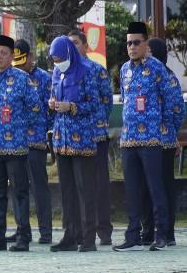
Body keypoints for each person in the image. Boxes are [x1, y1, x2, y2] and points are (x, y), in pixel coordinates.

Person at [114, 22, 181, 252]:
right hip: (129, 138)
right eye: (128, 43)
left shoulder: (157, 68)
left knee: (155, 187)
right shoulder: (124, 70)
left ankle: (161, 235)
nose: (131, 47)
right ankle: (133, 235)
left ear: (145, 43)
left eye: (136, 42)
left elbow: (171, 101)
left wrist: (166, 130)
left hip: (152, 138)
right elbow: (125, 98)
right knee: (132, 190)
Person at [0, 35, 40, 252]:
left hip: (16, 146)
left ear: (12, 56)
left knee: (20, 193)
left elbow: (35, 108)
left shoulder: (22, 79)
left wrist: (24, 129)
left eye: (3, 53)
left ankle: (23, 237)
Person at [46, 37, 99, 252]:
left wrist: (72, 107)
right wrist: (52, 104)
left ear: (69, 53)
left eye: (60, 58)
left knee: (84, 190)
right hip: (62, 139)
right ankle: (70, 235)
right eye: (54, 59)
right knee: (67, 190)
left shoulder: (87, 71)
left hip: (82, 140)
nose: (57, 62)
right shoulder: (57, 73)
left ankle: (88, 238)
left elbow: (94, 104)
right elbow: (53, 96)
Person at [68, 29, 113, 246]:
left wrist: (93, 124)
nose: (73, 47)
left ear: (86, 46)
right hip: (74, 139)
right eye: (69, 43)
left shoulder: (97, 70)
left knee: (99, 184)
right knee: (78, 186)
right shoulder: (64, 72)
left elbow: (106, 102)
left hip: (95, 135)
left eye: (76, 43)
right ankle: (80, 231)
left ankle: (104, 230)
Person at [140, 38, 185, 247]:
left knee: (164, 187)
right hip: (145, 141)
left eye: (148, 51)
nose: (144, 54)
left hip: (164, 142)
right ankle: (148, 231)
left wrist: (170, 132)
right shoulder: (142, 74)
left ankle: (167, 233)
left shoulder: (168, 76)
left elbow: (178, 109)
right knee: (147, 188)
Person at [8, 39, 53, 244]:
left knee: (39, 187)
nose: (19, 66)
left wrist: (48, 133)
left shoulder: (44, 79)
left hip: (36, 141)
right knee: (18, 188)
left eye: (22, 60)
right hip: (15, 142)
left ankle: (46, 231)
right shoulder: (11, 78)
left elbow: (50, 109)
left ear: (31, 57)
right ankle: (21, 230)